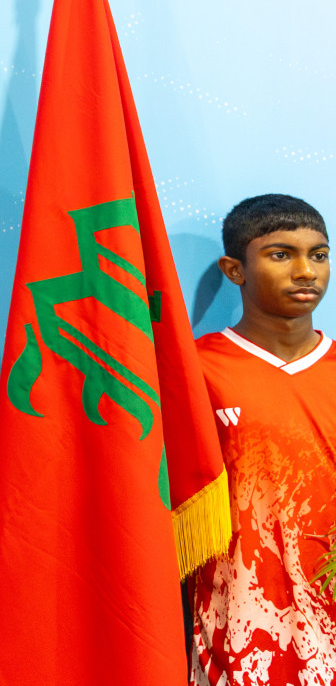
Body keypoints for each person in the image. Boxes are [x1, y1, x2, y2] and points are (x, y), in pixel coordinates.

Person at [192, 193, 336, 685]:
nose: (306, 271)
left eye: (319, 255)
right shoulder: (194, 370)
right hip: (238, 622)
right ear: (235, 269)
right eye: (281, 255)